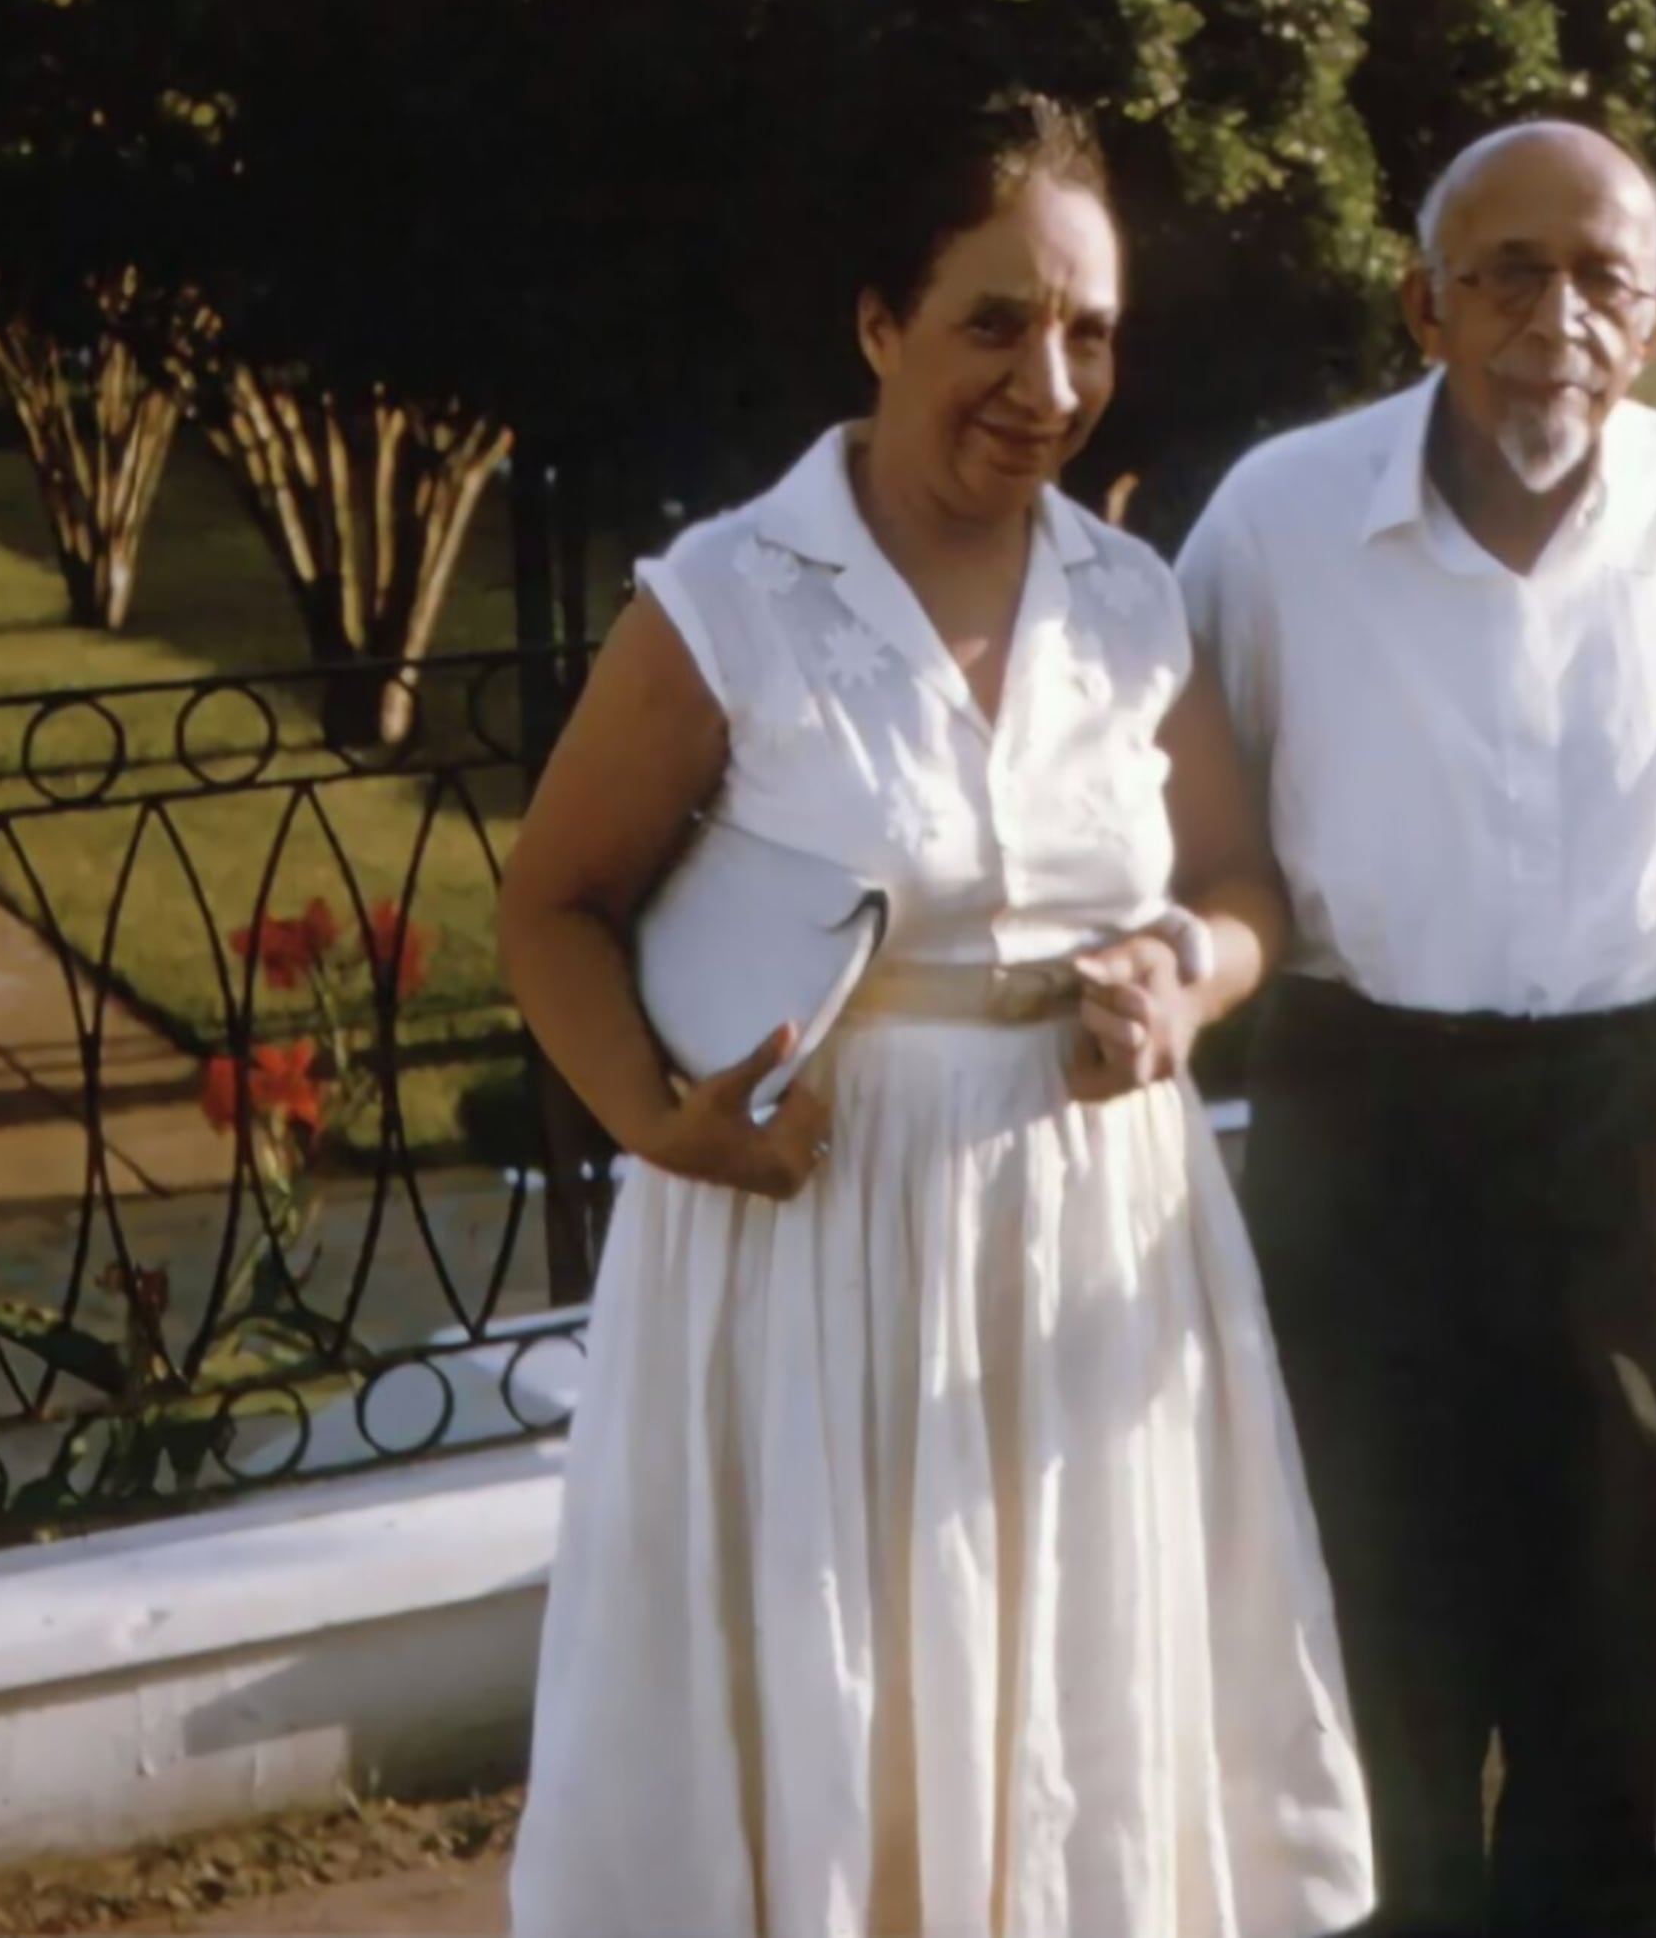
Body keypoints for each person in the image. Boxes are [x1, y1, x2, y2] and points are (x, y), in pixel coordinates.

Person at [501, 95, 1375, 1938]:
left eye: (1090, 333)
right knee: (838, 1711)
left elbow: (1241, 888)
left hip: (1089, 1228)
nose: (1048, 385)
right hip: (808, 1237)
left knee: (1072, 1710)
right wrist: (656, 1119)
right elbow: (551, 905)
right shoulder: (732, 598)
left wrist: (1185, 983)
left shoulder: (1131, 602)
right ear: (879, 323)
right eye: (994, 322)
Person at [1175, 119, 1656, 1938]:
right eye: (1508, 274)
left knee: (1642, 1685)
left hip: (1639, 1131)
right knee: (1362, 1670)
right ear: (1423, 304)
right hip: (1363, 1134)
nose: (1557, 320)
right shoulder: (1279, 520)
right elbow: (1163, 815)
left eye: (1604, 280)